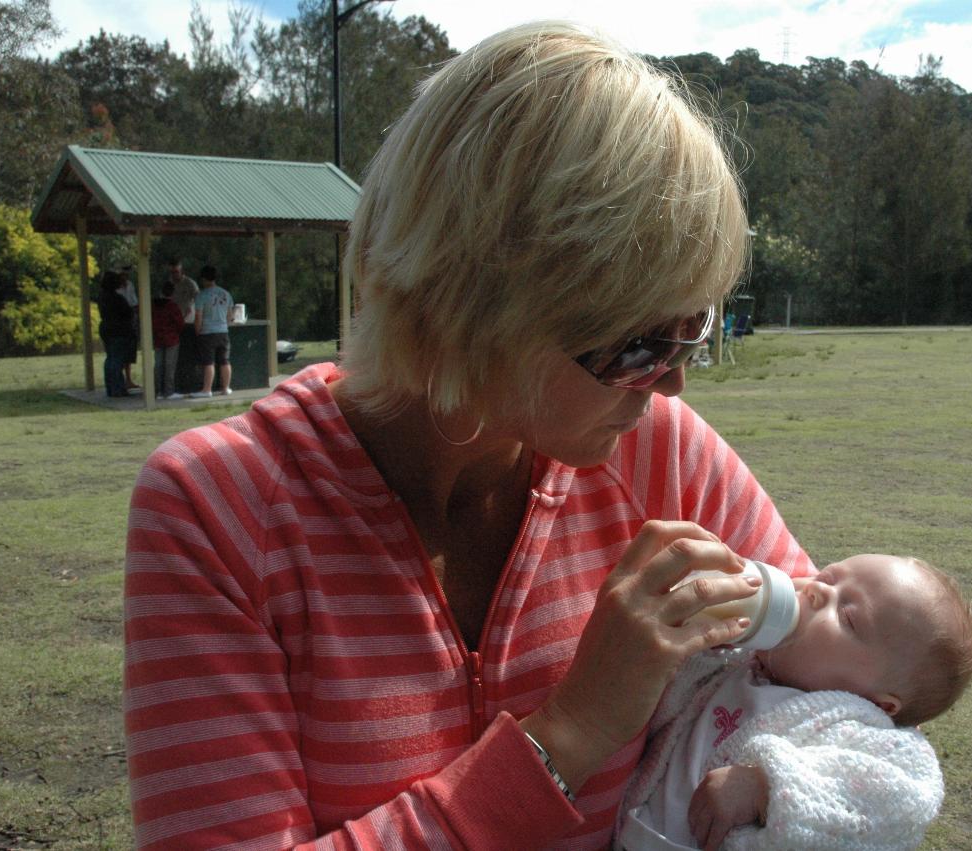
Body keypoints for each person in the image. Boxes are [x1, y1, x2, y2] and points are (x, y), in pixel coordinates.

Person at [123, 21, 814, 850]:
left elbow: (855, 677)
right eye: (637, 343)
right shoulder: (218, 509)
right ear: (480, 305)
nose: (672, 382)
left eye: (689, 330)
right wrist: (572, 731)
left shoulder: (664, 454)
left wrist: (783, 775)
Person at [616, 554, 972, 851]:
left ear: (883, 703)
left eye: (847, 617)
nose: (816, 592)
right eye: (827, 577)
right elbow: (663, 711)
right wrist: (698, 650)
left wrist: (766, 784)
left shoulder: (857, 728)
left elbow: (905, 801)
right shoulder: (738, 666)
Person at [189, 264, 235, 398]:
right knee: (225, 360)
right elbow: (230, 315)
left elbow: (198, 316)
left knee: (208, 362)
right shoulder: (226, 294)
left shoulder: (202, 296)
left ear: (203, 279)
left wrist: (197, 331)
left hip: (207, 332)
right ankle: (226, 388)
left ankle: (207, 389)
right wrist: (224, 325)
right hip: (223, 331)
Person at [96, 270, 135, 397]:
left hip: (106, 328)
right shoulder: (117, 298)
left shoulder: (102, 297)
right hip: (118, 330)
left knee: (110, 358)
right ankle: (118, 388)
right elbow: (128, 313)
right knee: (117, 360)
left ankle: (111, 388)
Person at [150, 281, 186, 400]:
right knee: (169, 366)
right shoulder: (172, 306)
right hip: (171, 339)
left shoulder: (153, 305)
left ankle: (158, 391)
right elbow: (180, 323)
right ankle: (169, 391)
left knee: (159, 365)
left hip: (157, 339)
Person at [117, 266, 141, 391]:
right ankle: (119, 380)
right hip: (120, 322)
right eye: (122, 274)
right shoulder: (115, 289)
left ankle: (128, 379)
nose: (125, 277)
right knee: (120, 352)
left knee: (130, 351)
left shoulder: (130, 285)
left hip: (131, 320)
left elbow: (134, 302)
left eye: (126, 275)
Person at [165, 258, 199, 324]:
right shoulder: (168, 284)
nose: (174, 274)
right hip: (172, 322)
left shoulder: (190, 284)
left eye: (176, 272)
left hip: (188, 322)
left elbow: (199, 301)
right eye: (171, 272)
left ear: (181, 271)